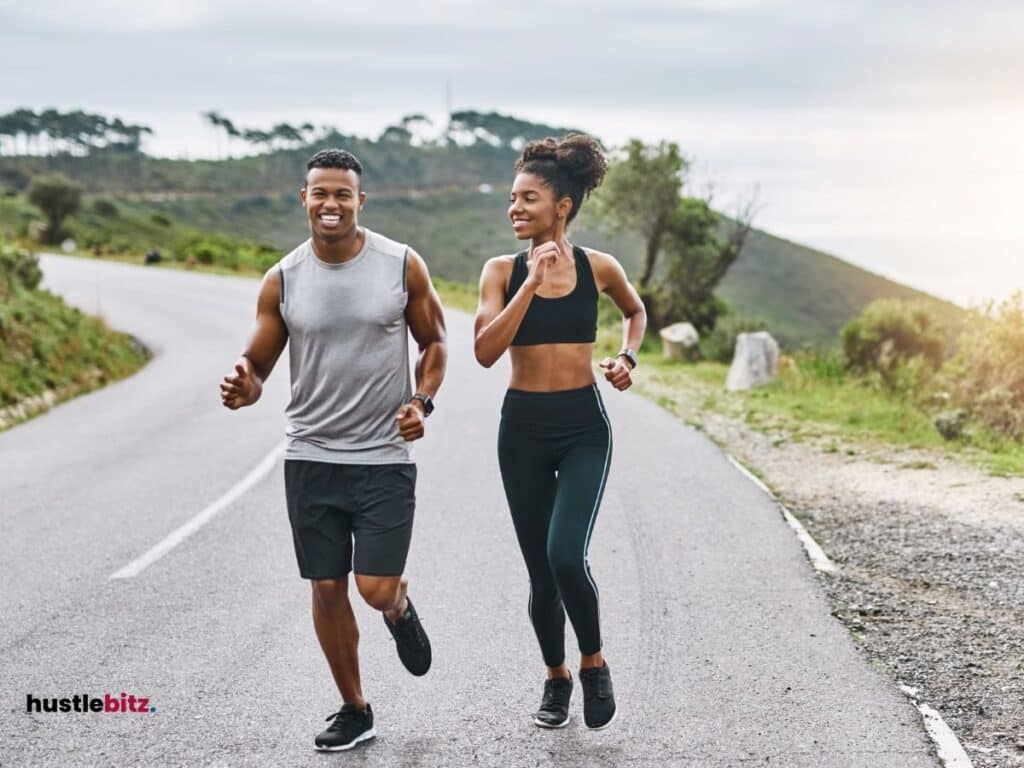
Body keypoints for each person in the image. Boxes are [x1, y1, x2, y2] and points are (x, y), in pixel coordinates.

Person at [220, 148, 447, 752]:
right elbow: (259, 360)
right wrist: (246, 384)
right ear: (304, 199)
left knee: (374, 587)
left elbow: (435, 343)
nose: (331, 204)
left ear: (360, 201)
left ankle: (397, 607)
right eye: (320, 192)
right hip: (311, 455)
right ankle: (355, 707)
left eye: (342, 193)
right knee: (326, 586)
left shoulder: (400, 265)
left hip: (382, 456)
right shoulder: (284, 277)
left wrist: (421, 401)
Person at [473, 134, 646, 730]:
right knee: (541, 575)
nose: (515, 209)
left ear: (562, 206)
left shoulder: (600, 268)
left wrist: (628, 358)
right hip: (521, 429)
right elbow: (484, 352)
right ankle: (556, 678)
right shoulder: (500, 271)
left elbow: (635, 311)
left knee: (566, 554)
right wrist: (528, 283)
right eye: (512, 199)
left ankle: (593, 663)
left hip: (581, 427)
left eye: (528, 199)